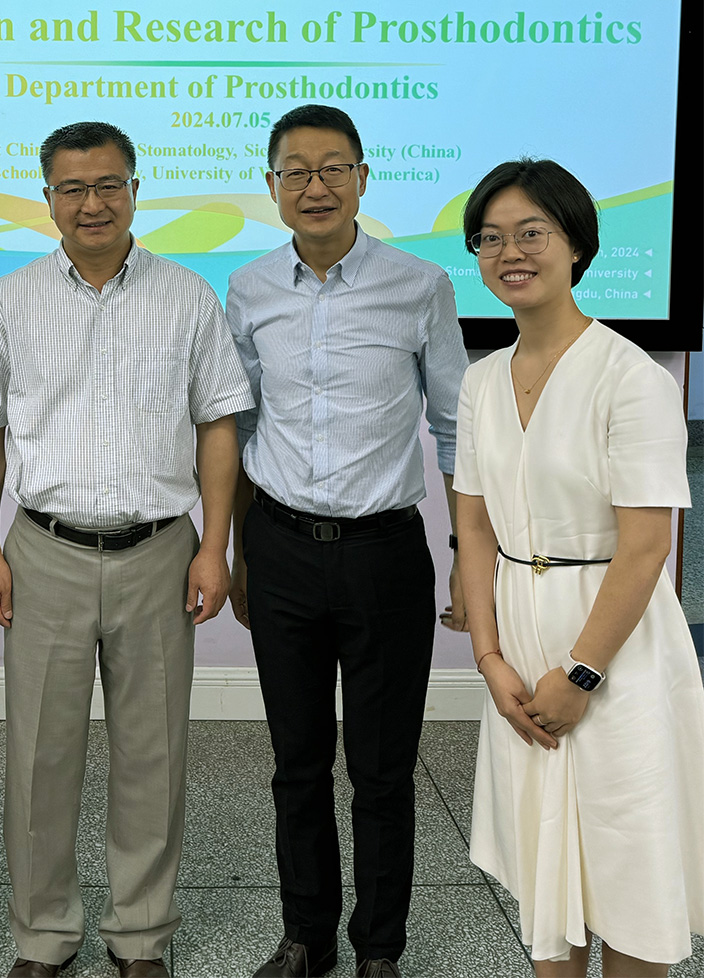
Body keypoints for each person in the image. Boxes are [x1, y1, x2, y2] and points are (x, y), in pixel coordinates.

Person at [0, 120, 254, 978]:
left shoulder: (187, 295)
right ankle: (45, 937)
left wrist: (214, 548)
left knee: (152, 756)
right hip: (41, 549)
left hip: (162, 550)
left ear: (135, 189)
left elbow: (218, 426)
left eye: (109, 185)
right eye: (73, 188)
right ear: (47, 198)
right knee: (40, 758)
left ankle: (141, 936)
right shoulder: (11, 299)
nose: (93, 203)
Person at [226, 104, 468, 978]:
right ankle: (306, 936)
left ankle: (379, 949)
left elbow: (454, 431)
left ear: (364, 178)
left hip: (384, 555)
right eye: (296, 171)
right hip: (282, 545)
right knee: (296, 762)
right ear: (272, 188)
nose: (315, 186)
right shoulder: (249, 289)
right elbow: (242, 424)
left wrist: (465, 562)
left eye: (334, 168)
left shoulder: (421, 285)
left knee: (382, 769)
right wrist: (240, 555)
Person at [455, 158, 704, 978]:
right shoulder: (483, 378)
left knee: (626, 854)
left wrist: (583, 672)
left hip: (616, 643)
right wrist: (490, 660)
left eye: (532, 233)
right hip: (518, 640)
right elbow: (475, 525)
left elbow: (646, 547)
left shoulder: (629, 376)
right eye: (490, 239)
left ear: (576, 246)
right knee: (544, 865)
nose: (509, 252)